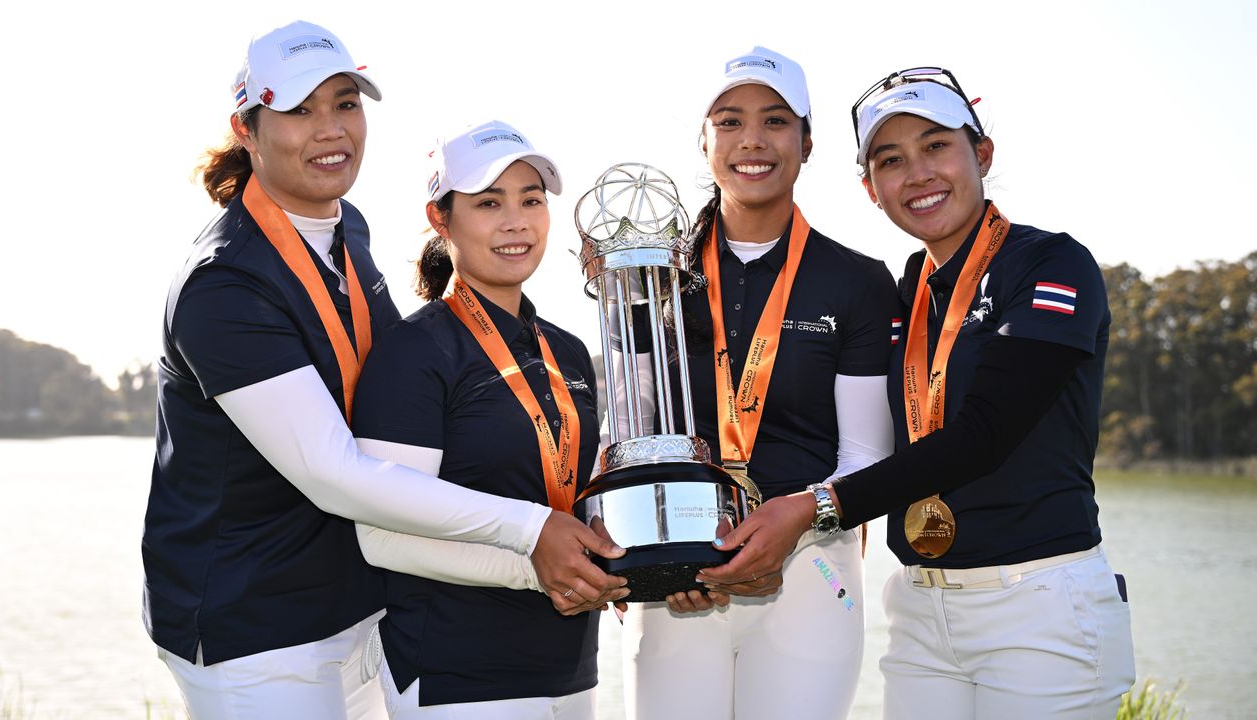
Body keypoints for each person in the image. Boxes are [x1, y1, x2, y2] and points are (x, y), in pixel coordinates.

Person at [142, 23, 620, 719]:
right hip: (252, 624)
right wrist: (532, 534)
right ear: (247, 129)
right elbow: (333, 473)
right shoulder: (224, 287)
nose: (330, 130)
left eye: (345, 103)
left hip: (359, 604)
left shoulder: (348, 230)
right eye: (299, 110)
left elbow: (424, 394)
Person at [698, 67, 1136, 718]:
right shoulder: (904, 294)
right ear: (871, 189)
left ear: (980, 154)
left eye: (936, 146)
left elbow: (984, 436)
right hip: (921, 608)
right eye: (890, 160)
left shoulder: (1049, 263)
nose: (918, 174)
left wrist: (813, 509)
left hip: (1038, 604)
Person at [618, 47, 901, 720]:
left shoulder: (858, 281)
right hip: (683, 574)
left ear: (806, 143)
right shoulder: (647, 276)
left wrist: (793, 532)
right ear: (705, 141)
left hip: (817, 568)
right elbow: (626, 441)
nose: (751, 140)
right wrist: (659, 558)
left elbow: (864, 457)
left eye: (775, 122)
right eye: (729, 121)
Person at [348, 119, 625, 719]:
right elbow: (382, 537)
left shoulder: (569, 351)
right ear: (441, 219)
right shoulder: (413, 350)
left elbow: (574, 496)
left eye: (531, 200)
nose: (515, 222)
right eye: (488, 203)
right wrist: (538, 570)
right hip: (457, 669)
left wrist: (620, 549)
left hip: (569, 660)